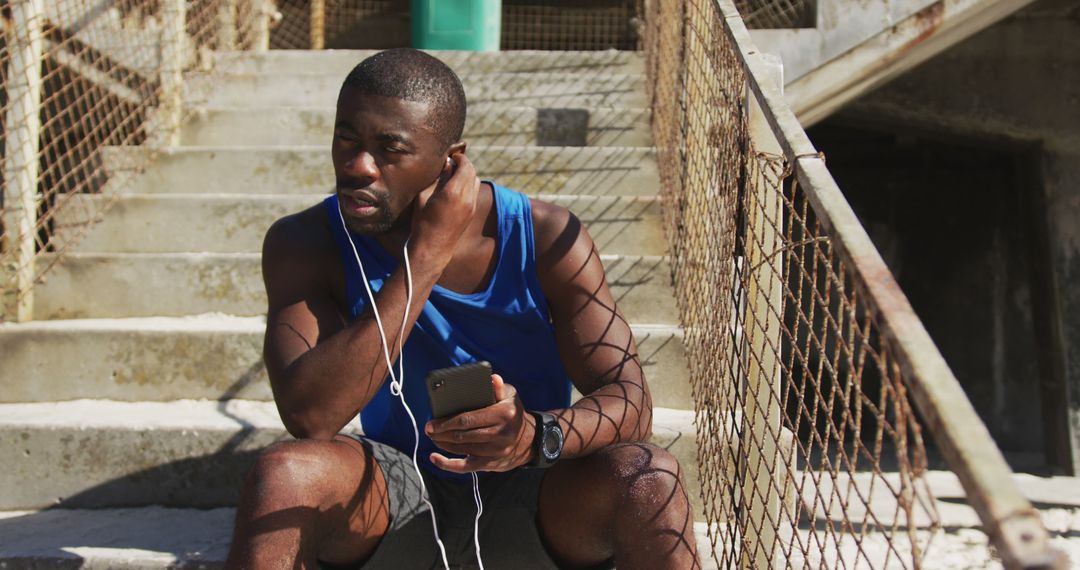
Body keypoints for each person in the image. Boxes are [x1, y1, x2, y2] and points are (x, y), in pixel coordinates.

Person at [225, 48, 700, 570]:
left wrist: (534, 436)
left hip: (536, 494)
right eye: (346, 139)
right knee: (282, 474)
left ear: (451, 160)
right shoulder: (307, 241)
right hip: (397, 489)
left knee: (651, 477)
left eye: (390, 149)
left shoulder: (545, 236)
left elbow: (632, 402)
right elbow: (310, 416)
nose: (358, 166)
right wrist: (424, 258)